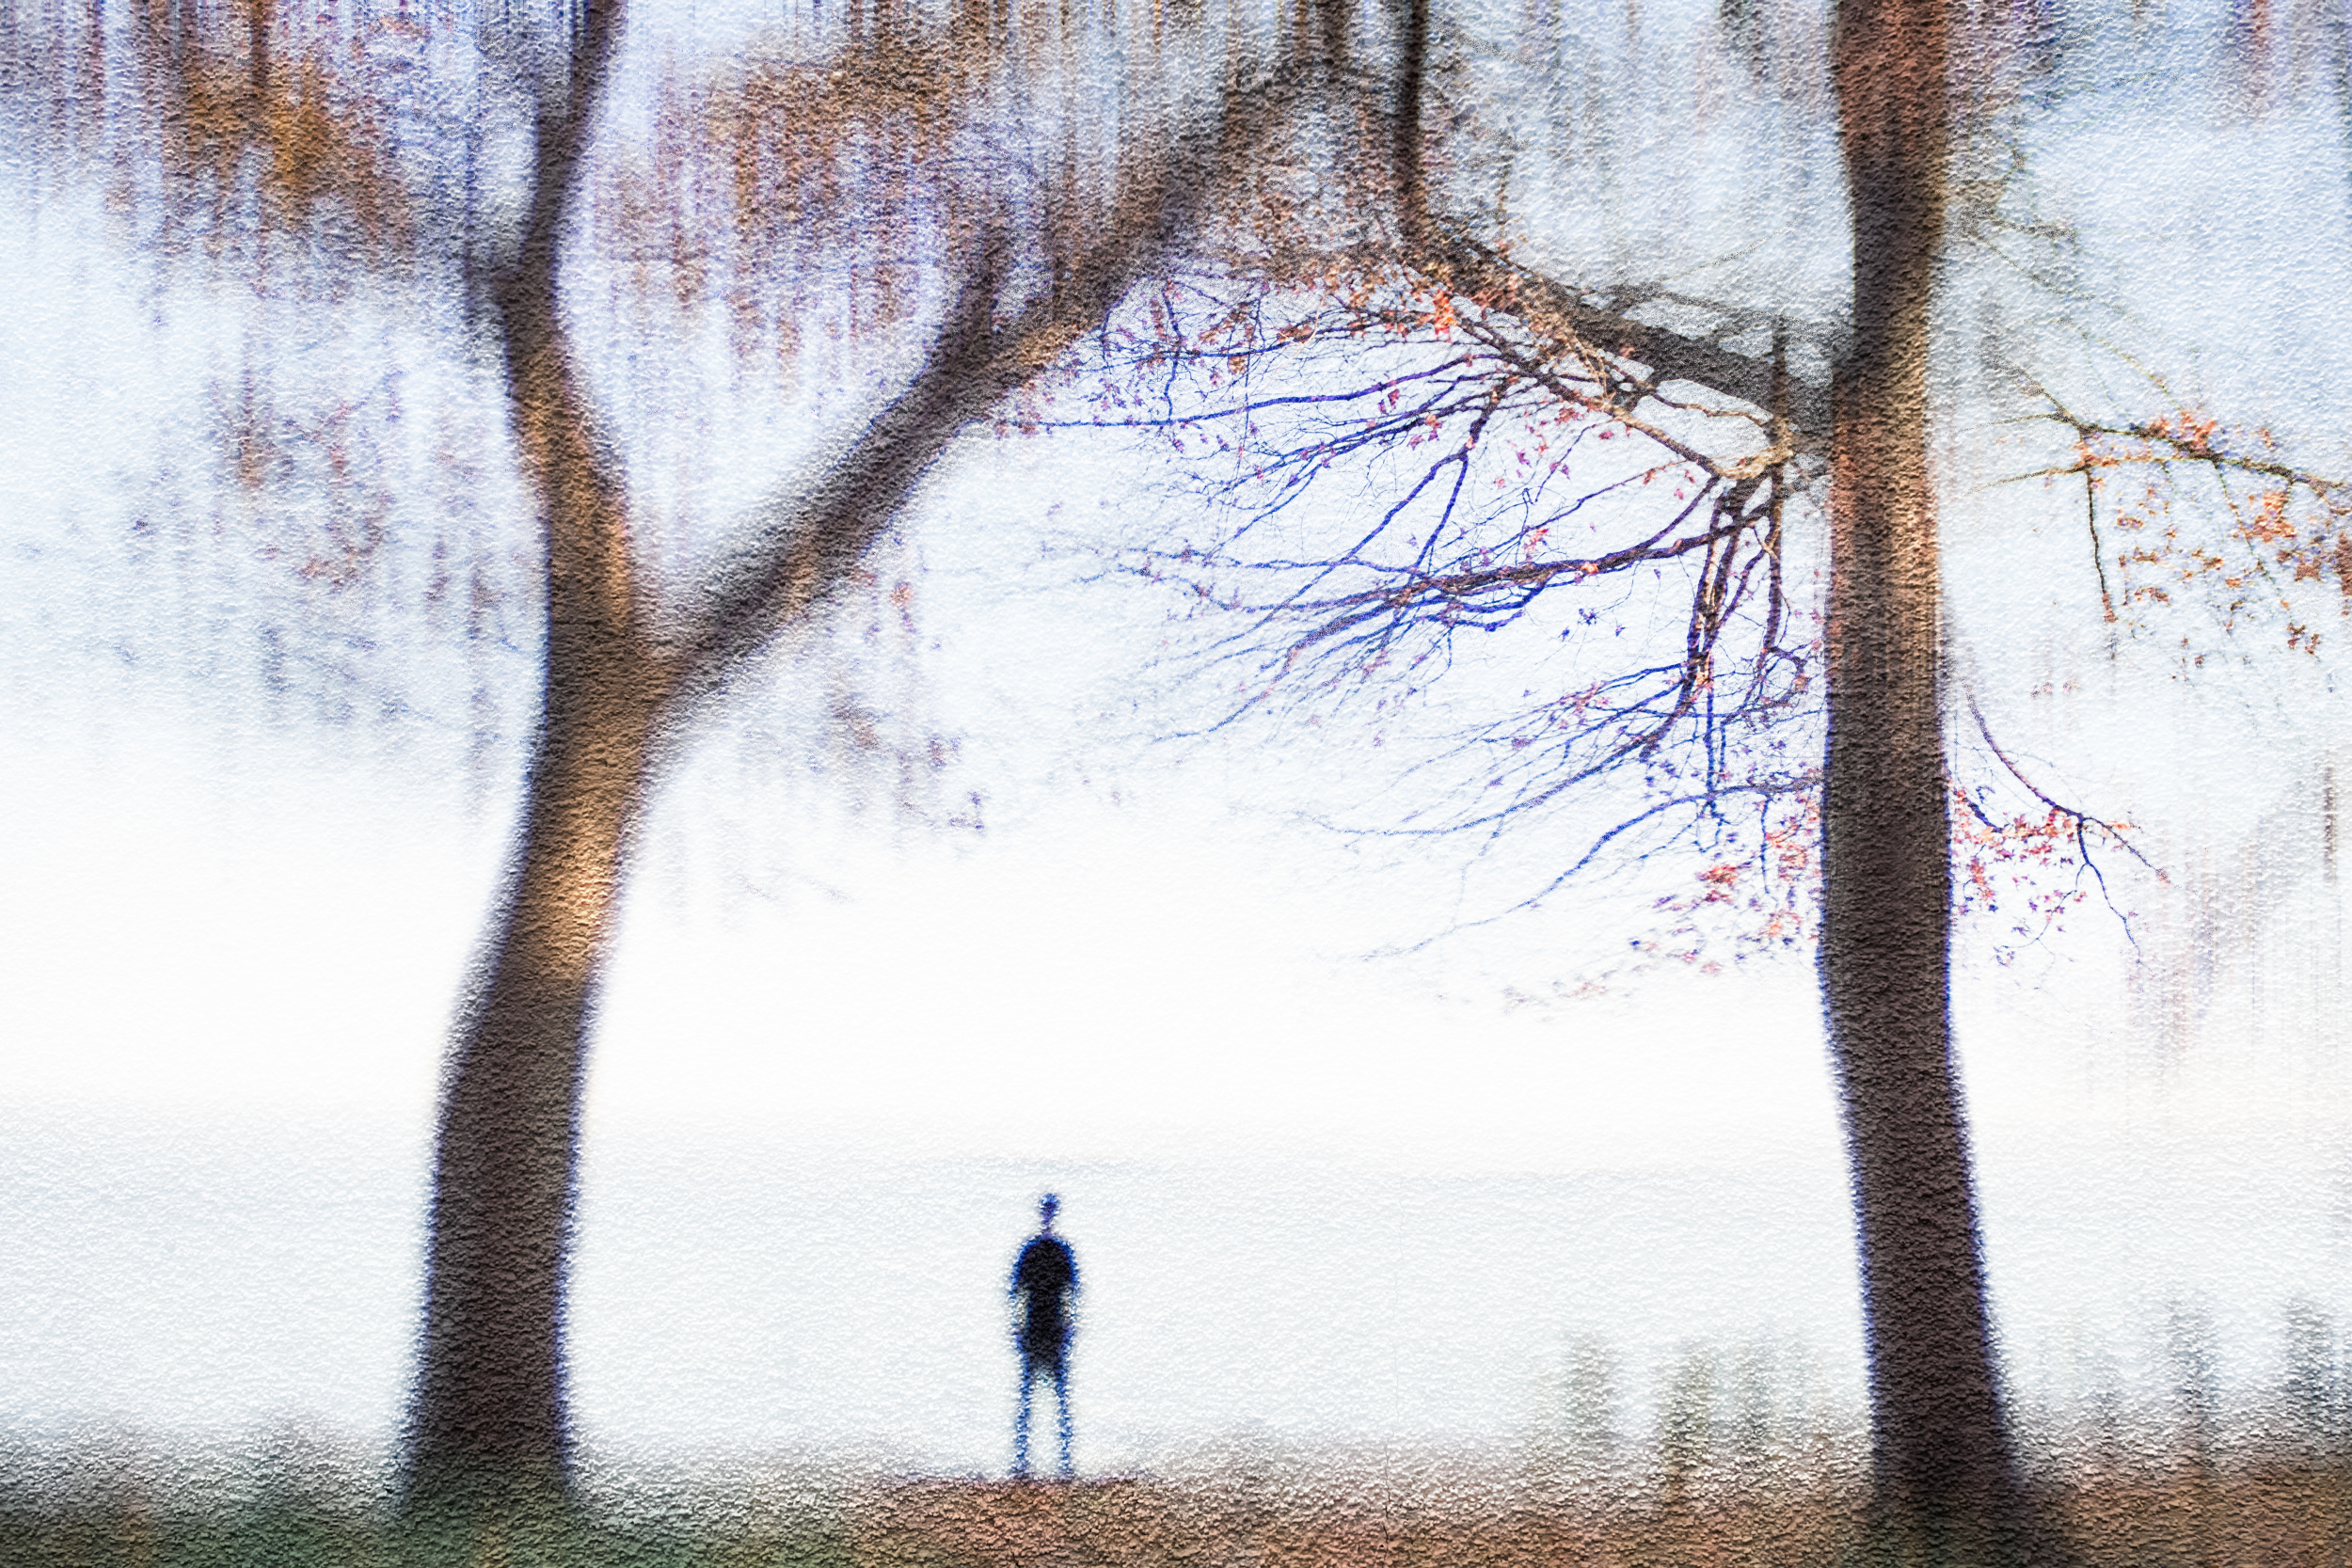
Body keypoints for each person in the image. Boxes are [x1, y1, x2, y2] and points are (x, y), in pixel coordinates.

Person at [1009, 1193, 1078, 1479]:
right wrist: (1018, 1326)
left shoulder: (1052, 1251)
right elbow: (1019, 1292)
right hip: (1039, 1327)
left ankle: (1061, 1462)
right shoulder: (1040, 1251)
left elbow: (1069, 1293)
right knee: (1032, 1396)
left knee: (1054, 1397)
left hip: (1050, 1328)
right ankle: (1027, 1461)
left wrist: (1068, 1325)